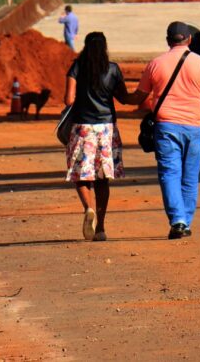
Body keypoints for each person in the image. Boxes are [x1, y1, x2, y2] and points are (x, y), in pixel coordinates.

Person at [129, 22, 200, 239]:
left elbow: (138, 97)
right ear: (189, 39)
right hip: (195, 128)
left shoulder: (155, 64)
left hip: (166, 127)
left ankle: (178, 220)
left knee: (169, 173)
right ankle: (185, 221)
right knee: (190, 178)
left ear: (168, 40)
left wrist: (116, 95)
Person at [63, 32, 135, 242]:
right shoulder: (113, 69)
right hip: (106, 129)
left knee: (81, 174)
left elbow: (68, 99)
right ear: (104, 47)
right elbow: (124, 98)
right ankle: (101, 228)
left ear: (85, 47)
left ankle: (89, 208)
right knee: (102, 178)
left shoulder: (77, 67)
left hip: (82, 127)